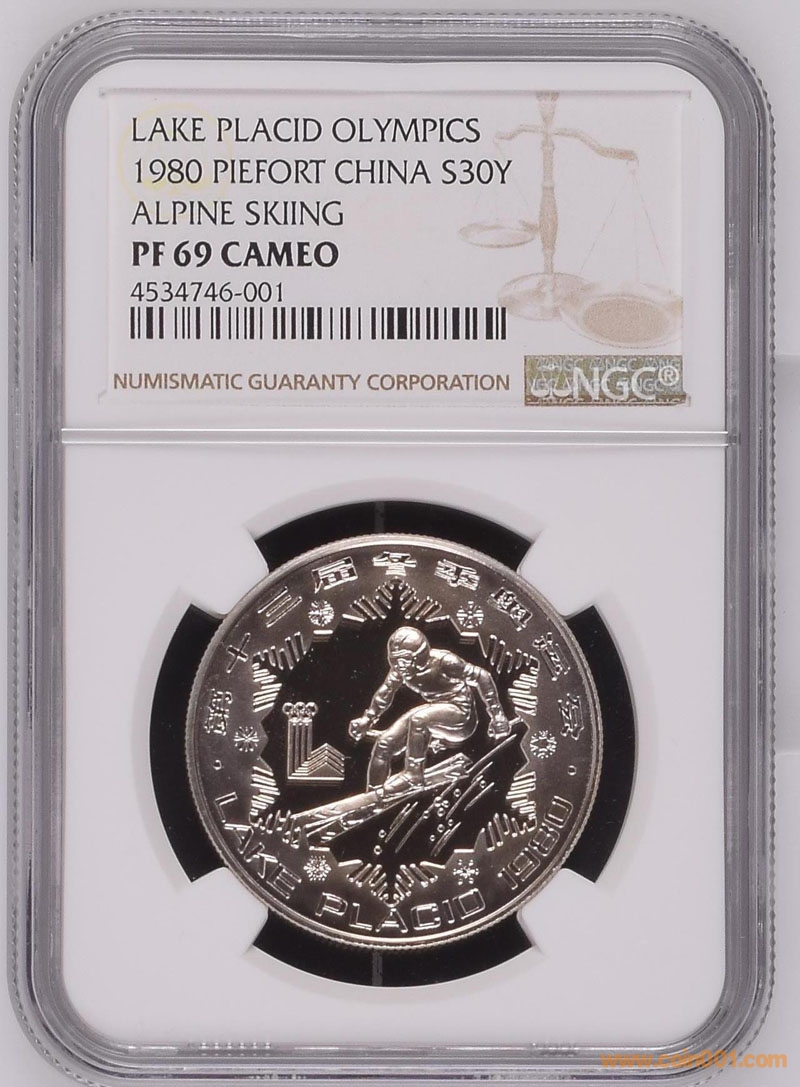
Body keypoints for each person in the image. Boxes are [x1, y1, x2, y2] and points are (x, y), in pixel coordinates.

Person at [349, 626, 510, 790]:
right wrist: (367, 719)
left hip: (461, 716)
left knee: (419, 719)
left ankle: (414, 775)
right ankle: (373, 791)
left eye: (404, 659)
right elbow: (386, 692)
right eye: (395, 659)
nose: (400, 665)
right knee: (384, 743)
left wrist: (497, 715)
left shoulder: (445, 662)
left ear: (419, 656)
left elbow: (482, 676)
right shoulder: (400, 670)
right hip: (434, 712)